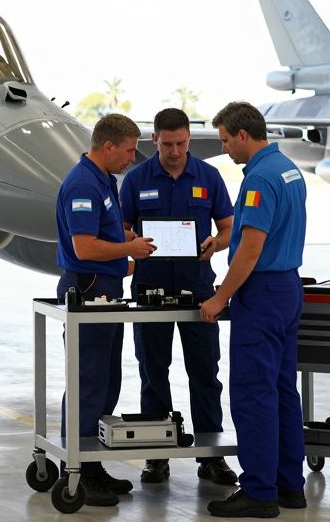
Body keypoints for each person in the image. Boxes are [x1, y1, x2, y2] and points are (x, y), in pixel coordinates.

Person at [200, 102, 308, 518]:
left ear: (243, 135)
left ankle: (259, 492)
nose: (225, 148)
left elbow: (251, 247)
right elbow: (265, 231)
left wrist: (220, 297)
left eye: (226, 140)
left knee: (252, 394)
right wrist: (221, 242)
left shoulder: (259, 178)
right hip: (287, 288)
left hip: (260, 294)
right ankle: (289, 486)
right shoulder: (287, 169)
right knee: (282, 390)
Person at [118, 108, 237, 486]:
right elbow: (121, 226)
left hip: (198, 289)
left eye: (182, 143)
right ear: (153, 141)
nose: (175, 151)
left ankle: (211, 456)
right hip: (149, 289)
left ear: (189, 139)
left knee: (205, 372)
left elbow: (229, 226)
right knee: (154, 373)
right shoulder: (135, 179)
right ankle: (157, 455)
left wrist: (215, 244)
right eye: (167, 144)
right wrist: (132, 243)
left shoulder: (209, 177)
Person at [55, 113, 157, 506]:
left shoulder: (103, 182)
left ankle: (91, 464)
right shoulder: (83, 183)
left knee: (107, 380)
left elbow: (102, 236)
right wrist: (127, 250)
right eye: (129, 150)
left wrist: (124, 241)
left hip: (107, 288)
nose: (133, 158)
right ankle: (76, 471)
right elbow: (85, 248)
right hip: (89, 288)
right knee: (88, 380)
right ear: (108, 146)